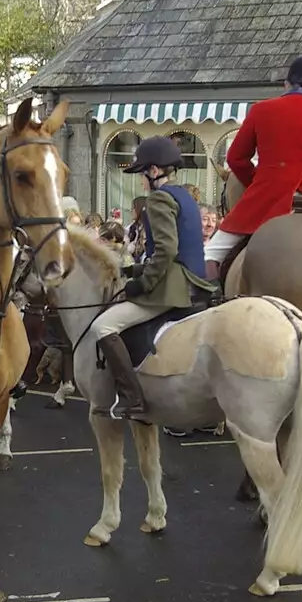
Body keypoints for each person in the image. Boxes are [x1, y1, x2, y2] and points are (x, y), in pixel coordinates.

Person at [203, 55, 302, 282]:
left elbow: (235, 158)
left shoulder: (261, 110)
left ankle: (206, 300)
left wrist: (257, 181)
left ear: (286, 83)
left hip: (267, 197)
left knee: (211, 252)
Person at [92, 135, 216, 419]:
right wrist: (131, 270)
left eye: (142, 174)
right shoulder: (184, 195)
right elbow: (178, 249)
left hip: (172, 288)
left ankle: (131, 397)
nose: (141, 182)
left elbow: (166, 251)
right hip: (193, 280)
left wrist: (141, 284)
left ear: (155, 171)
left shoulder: (159, 199)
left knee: (103, 327)